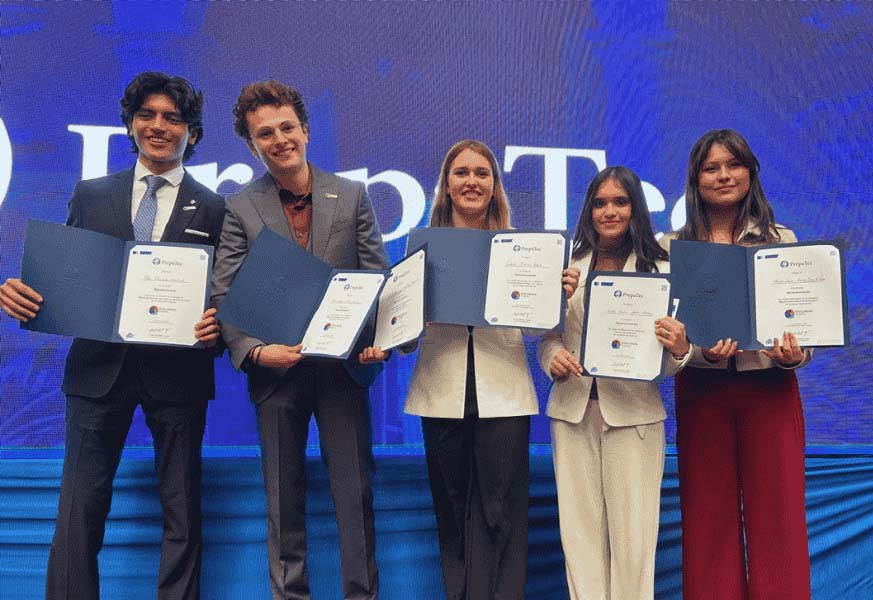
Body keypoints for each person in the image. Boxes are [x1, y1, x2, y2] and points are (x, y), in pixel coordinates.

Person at [0, 71, 223, 600]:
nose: (158, 126)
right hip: (97, 371)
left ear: (191, 131)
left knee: (182, 512)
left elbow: (224, 291)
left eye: (173, 117)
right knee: (79, 510)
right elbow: (64, 279)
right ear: (129, 124)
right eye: (147, 115)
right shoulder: (91, 194)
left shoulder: (215, 206)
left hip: (179, 374)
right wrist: (21, 294)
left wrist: (220, 319)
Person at [360, 139, 577, 600]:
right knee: (453, 511)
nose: (472, 181)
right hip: (441, 392)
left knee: (501, 514)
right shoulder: (419, 250)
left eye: (482, 173)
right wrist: (404, 327)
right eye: (462, 173)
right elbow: (403, 336)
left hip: (505, 392)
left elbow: (541, 329)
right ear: (446, 185)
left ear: (495, 184)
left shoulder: (524, 249)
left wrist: (557, 292)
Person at [210, 80, 388, 600]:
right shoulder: (240, 207)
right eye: (265, 133)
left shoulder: (351, 195)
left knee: (355, 501)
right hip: (276, 375)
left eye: (287, 127)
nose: (280, 139)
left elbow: (375, 278)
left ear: (305, 131)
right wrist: (256, 351)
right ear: (252, 145)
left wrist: (375, 340)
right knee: (282, 504)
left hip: (342, 373)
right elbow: (226, 293)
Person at [661, 129, 812, 600]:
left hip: (769, 391)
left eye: (734, 165)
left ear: (750, 172)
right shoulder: (671, 248)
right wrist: (691, 349)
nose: (723, 176)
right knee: (709, 522)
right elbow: (667, 334)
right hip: (702, 394)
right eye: (711, 168)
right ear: (695, 179)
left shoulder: (781, 239)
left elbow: (803, 325)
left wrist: (795, 355)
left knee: (780, 520)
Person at [538, 166, 691, 600]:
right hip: (572, 411)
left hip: (634, 415)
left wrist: (681, 348)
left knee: (633, 540)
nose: (609, 211)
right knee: (579, 535)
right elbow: (548, 339)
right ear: (588, 210)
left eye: (620, 202)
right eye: (600, 202)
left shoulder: (662, 266)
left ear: (635, 208)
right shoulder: (568, 265)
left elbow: (676, 355)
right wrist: (554, 358)